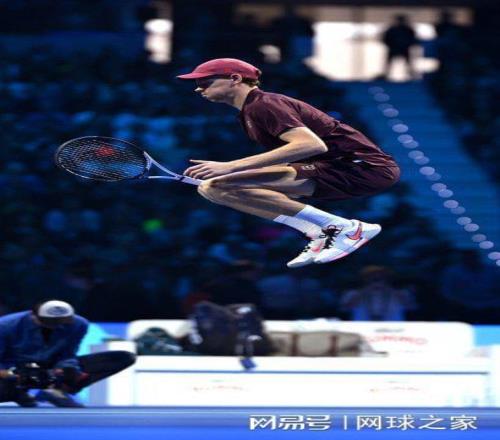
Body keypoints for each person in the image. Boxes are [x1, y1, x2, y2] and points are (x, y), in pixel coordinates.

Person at [177, 58, 400, 268]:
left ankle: (347, 228)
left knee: (219, 184)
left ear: (235, 79)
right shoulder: (249, 113)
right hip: (332, 169)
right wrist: (236, 175)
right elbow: (295, 156)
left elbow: (312, 145)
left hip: (362, 167)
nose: (198, 89)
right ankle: (318, 230)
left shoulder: (264, 104)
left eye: (205, 82)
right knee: (212, 189)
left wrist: (231, 167)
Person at [0, 300, 136, 407]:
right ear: (33, 316)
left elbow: (68, 353)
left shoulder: (78, 324)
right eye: (50, 322)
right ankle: (17, 393)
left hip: (51, 369)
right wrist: (14, 375)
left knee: (123, 357)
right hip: (13, 371)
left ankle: (57, 390)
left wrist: (67, 370)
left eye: (61, 321)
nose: (56, 325)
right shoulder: (5, 326)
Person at [339, 266, 417, 321]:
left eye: (380, 276)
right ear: (365, 278)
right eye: (372, 277)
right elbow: (345, 309)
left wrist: (390, 290)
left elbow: (411, 307)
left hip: (393, 330)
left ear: (387, 278)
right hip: (362, 328)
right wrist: (364, 291)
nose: (377, 278)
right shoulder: (353, 293)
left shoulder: (401, 293)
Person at [381, 15, 418, 80]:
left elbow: (413, 39)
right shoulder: (394, 29)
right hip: (397, 48)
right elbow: (385, 39)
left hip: (401, 49)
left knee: (408, 63)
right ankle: (386, 74)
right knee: (390, 63)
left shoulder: (406, 30)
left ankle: (411, 74)